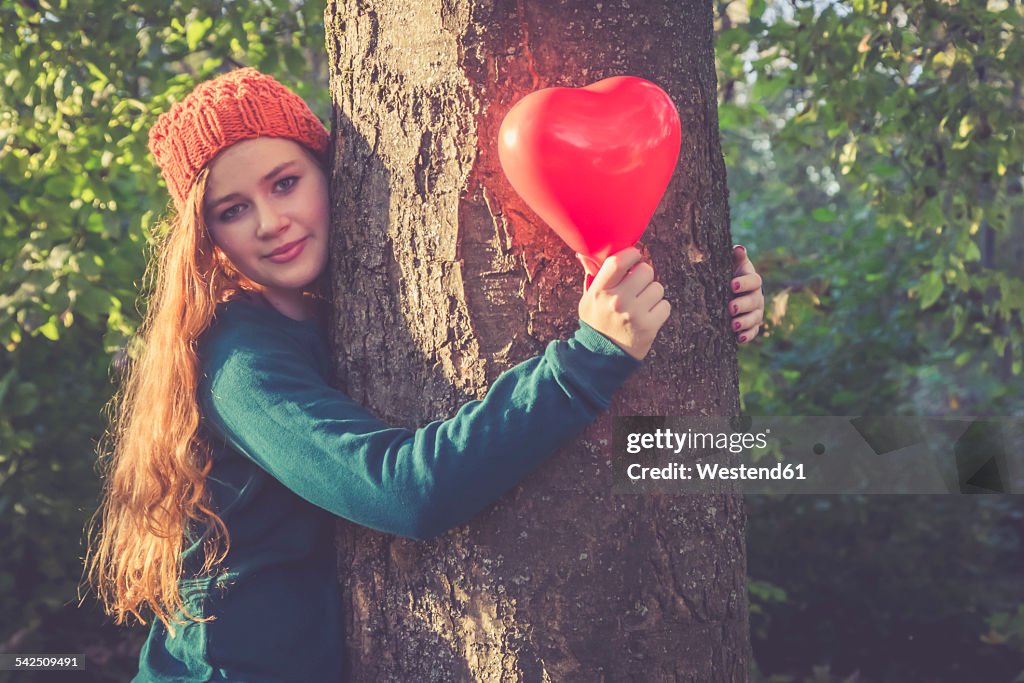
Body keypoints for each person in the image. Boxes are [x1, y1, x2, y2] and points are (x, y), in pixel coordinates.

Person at [82, 67, 765, 682]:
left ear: (331, 173)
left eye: (285, 182)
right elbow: (406, 491)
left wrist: (708, 299)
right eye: (233, 210)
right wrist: (586, 361)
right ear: (208, 239)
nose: (271, 221)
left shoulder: (335, 312)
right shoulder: (239, 363)